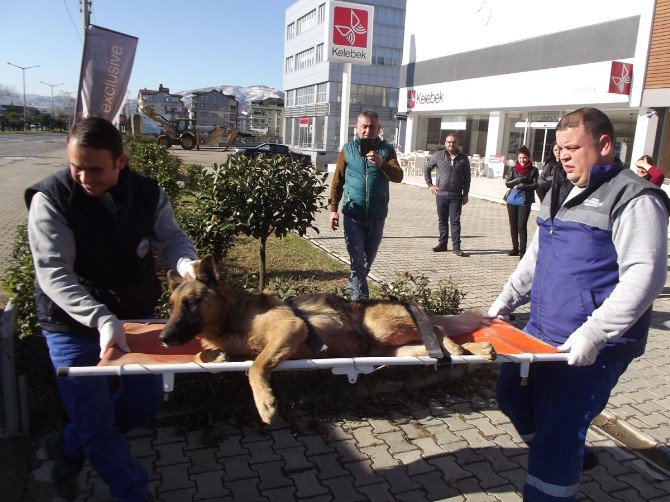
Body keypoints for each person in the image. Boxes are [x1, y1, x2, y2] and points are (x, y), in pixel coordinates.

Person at [487, 107, 670, 501]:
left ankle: (558, 462)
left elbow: (647, 274)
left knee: (558, 433)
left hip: (590, 346)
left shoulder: (634, 196)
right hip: (542, 329)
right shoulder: (560, 190)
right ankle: (567, 447)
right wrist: (505, 299)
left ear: (604, 145)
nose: (562, 156)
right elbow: (536, 257)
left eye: (573, 147)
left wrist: (595, 332)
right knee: (511, 394)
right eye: (558, 148)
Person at [25, 116, 199, 502]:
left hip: (133, 318)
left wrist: (186, 264)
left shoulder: (147, 192)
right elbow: (54, 272)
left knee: (145, 398)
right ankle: (134, 493)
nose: (84, 177)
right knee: (97, 424)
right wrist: (101, 319)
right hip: (69, 325)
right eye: (76, 167)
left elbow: (171, 238)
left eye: (95, 168)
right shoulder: (50, 199)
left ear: (120, 161)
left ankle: (67, 447)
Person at [329, 110, 403, 300]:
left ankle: (351, 293)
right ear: (357, 128)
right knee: (358, 263)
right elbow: (337, 181)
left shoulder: (387, 151)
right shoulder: (347, 149)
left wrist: (382, 163)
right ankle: (360, 302)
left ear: (379, 129)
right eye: (364, 126)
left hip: (377, 216)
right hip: (353, 215)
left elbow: (398, 176)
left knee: (365, 263)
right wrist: (333, 210)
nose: (368, 130)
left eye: (372, 126)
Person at [424, 133, 471, 257]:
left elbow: (467, 177)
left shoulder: (463, 158)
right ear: (445, 143)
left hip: (456, 195)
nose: (451, 144)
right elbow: (427, 168)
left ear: (457, 143)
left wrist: (465, 194)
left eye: (454, 142)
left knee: (455, 221)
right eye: (449, 142)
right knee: (442, 221)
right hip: (441, 194)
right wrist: (430, 185)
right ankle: (442, 244)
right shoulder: (438, 155)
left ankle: (457, 247)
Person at [504, 145, 538, 258]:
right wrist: (517, 179)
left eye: (524, 158)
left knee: (521, 226)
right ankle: (515, 248)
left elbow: (535, 185)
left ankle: (523, 251)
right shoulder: (513, 169)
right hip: (512, 200)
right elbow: (508, 183)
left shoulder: (533, 170)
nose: (522, 160)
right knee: (513, 225)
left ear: (528, 158)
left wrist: (523, 186)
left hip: (524, 200)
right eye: (520, 158)